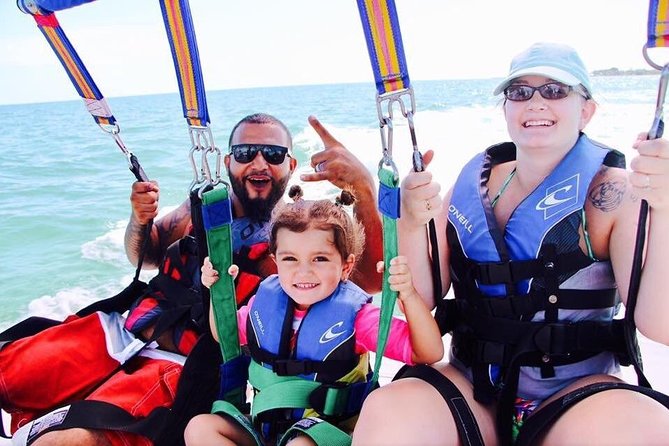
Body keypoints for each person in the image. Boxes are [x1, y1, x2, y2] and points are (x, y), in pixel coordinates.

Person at [352, 42, 669, 445]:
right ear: (506, 108)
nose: (535, 103)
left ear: (586, 109)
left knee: (646, 431)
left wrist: (663, 209)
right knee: (389, 412)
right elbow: (424, 294)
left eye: (555, 91)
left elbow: (660, 325)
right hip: (472, 389)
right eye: (520, 92)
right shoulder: (473, 185)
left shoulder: (613, 195)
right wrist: (414, 223)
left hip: (574, 398)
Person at [0, 113, 383, 446]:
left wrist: (363, 187)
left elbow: (366, 281)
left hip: (179, 362)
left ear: (290, 163)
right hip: (120, 330)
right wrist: (140, 218)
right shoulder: (200, 209)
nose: (259, 163)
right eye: (247, 154)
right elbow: (146, 256)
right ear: (229, 161)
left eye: (274, 154)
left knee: (68, 440)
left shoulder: (296, 232)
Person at [183, 186, 443, 446]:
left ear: (346, 266)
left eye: (319, 258)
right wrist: (219, 293)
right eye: (290, 259)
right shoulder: (263, 305)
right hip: (268, 431)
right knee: (200, 428)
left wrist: (407, 295)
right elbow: (223, 335)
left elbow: (429, 353)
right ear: (276, 261)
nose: (303, 272)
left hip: (324, 435)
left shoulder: (358, 319)